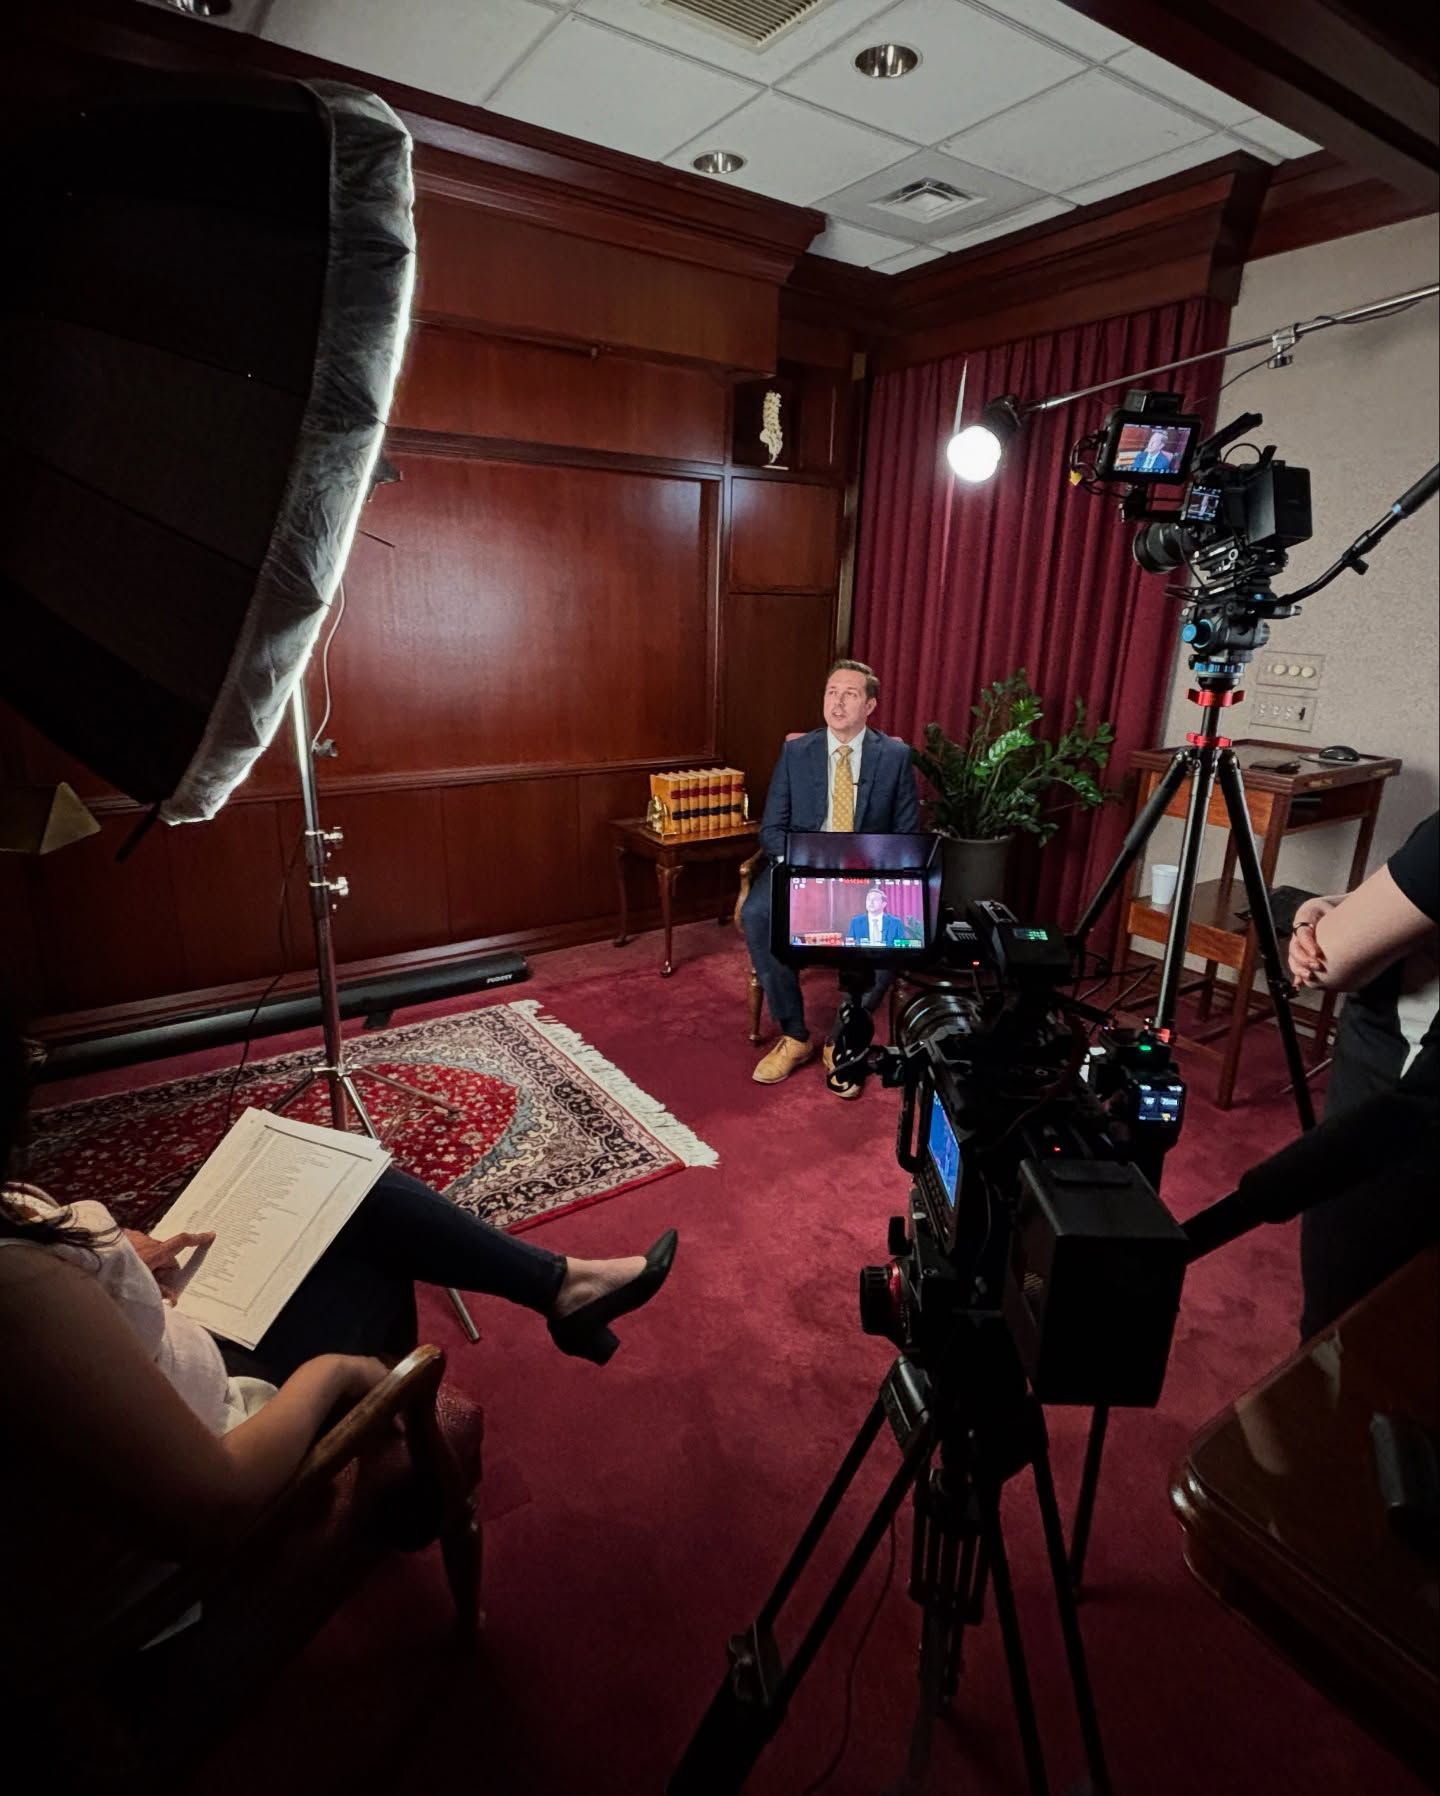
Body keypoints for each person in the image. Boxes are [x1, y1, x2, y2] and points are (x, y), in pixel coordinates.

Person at [0, 1019, 677, 1663]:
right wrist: (336, 1372)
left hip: (170, 1360)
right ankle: (422, 1467)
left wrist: (114, 1267)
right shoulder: (19, 1289)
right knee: (372, 1245)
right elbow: (218, 1501)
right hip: (217, 1458)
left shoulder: (25, 1269)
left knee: (345, 1190)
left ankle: (562, 1290)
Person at [1285, 810, 1438, 1334]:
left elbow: (1329, 962)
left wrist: (1312, 916)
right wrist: (1320, 908)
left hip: (1400, 1116)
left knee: (1343, 1320)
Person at [741, 658, 920, 1092]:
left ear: (870, 705)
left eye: (850, 694)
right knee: (757, 914)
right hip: (800, 869)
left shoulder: (894, 757)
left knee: (895, 925)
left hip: (865, 873)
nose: (837, 703)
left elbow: (906, 833)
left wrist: (870, 875)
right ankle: (795, 1034)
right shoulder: (796, 752)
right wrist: (803, 868)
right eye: (831, 692)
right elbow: (771, 829)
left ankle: (843, 1040)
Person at [846, 882, 908, 947]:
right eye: (868, 899)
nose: (871, 902)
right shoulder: (856, 922)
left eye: (875, 900)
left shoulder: (895, 922)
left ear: (883, 904)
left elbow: (902, 945)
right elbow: (850, 944)